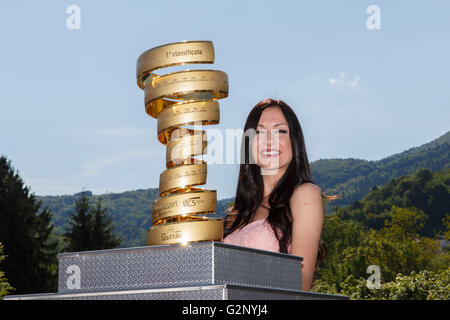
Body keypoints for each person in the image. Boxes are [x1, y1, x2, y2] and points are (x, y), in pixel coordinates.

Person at [222, 98, 339, 292]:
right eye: (259, 132)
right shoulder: (241, 212)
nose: (269, 140)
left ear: (294, 142)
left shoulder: (304, 195)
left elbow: (299, 284)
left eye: (280, 131)